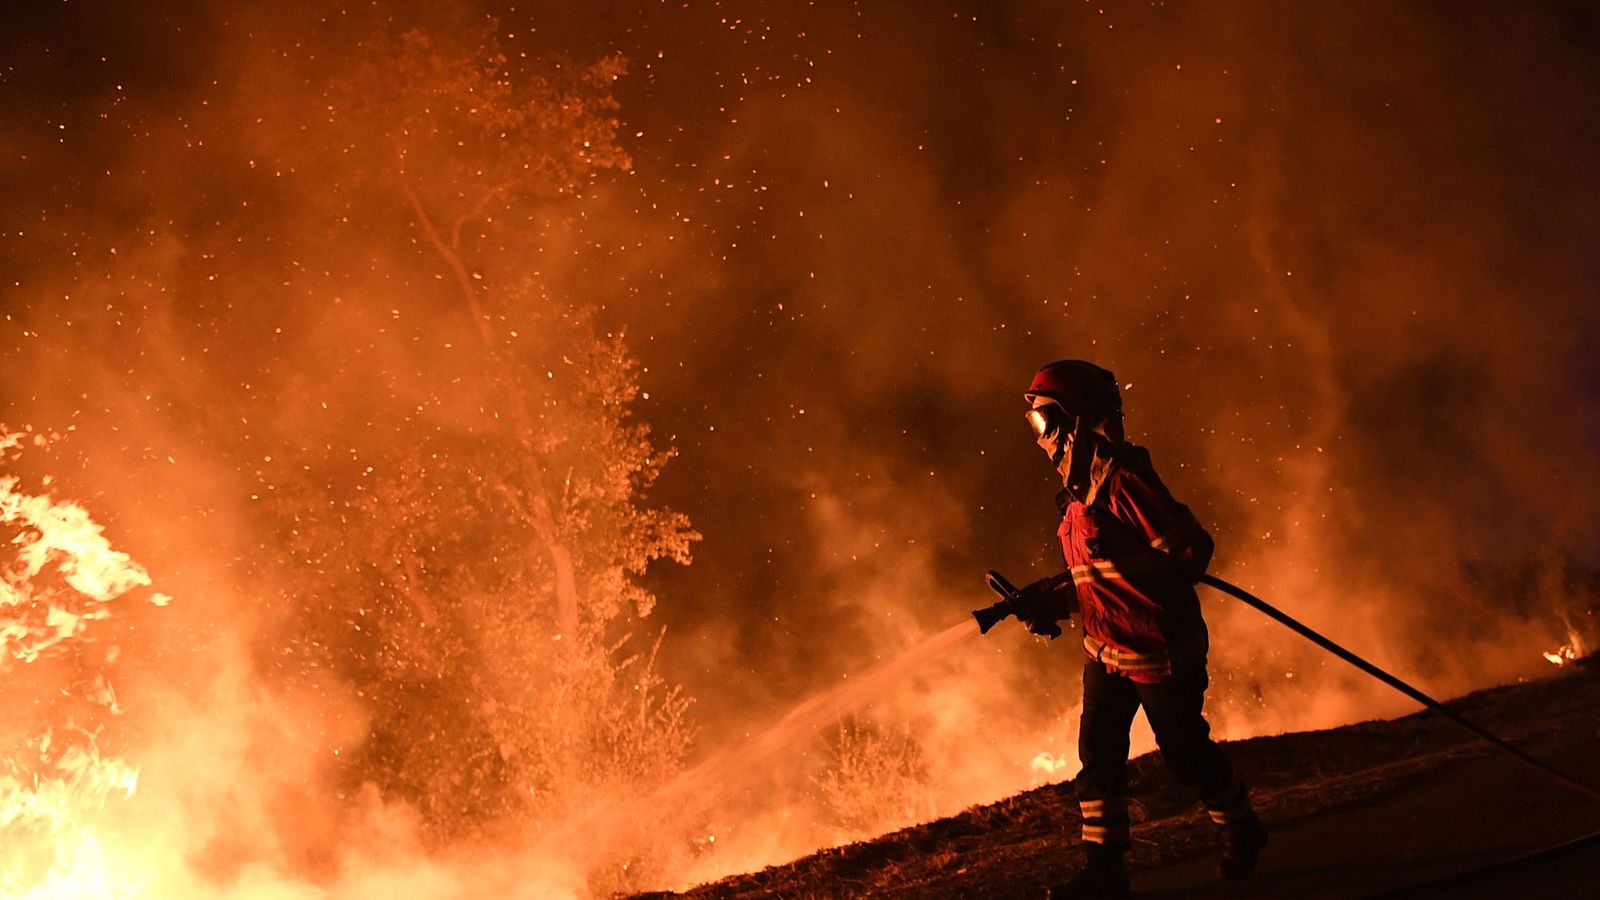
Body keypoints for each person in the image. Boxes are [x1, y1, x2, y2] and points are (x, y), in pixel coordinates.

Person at [1010, 360, 1268, 900]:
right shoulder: (1077, 497)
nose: (1041, 437)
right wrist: (1047, 602)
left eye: (1044, 421)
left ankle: (1242, 823)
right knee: (1098, 761)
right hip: (1105, 652)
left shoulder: (1123, 481)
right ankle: (1105, 873)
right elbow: (1094, 581)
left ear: (1075, 420)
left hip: (1159, 651)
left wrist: (1171, 568)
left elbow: (1190, 549)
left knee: (1184, 754)